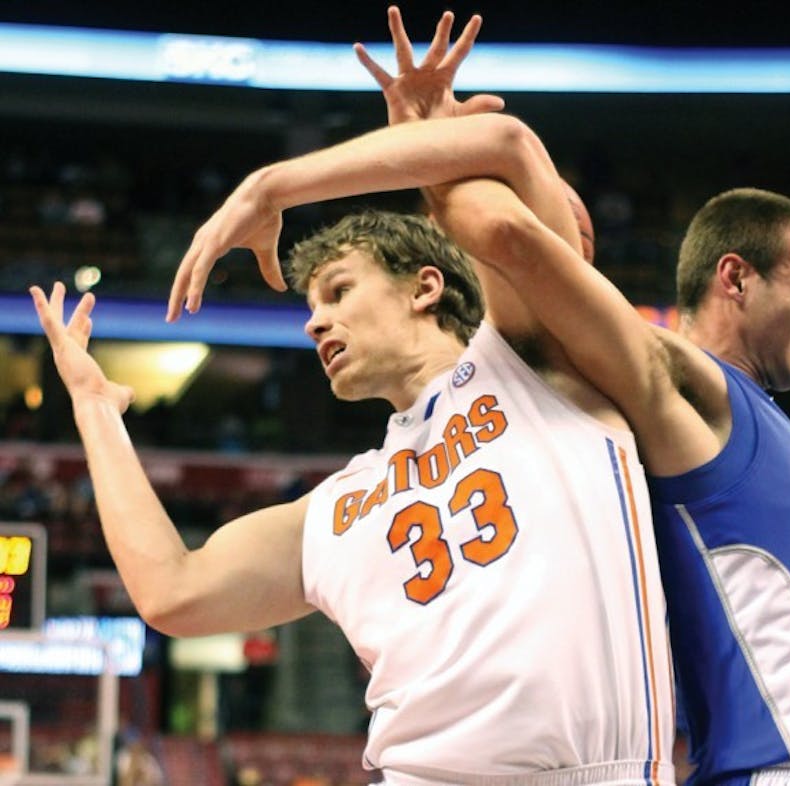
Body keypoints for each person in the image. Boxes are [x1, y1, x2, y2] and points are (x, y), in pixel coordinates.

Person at [163, 8, 790, 784]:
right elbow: (502, 189)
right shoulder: (621, 372)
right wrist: (414, 162)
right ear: (734, 277)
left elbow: (779, 542)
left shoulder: (709, 434)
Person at [30, 15, 675, 786]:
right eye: (313, 303)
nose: (315, 319)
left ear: (425, 288)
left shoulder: (539, 361)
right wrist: (95, 410)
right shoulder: (344, 500)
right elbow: (172, 591)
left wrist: (286, 181)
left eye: (339, 290)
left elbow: (509, 149)